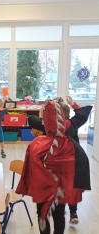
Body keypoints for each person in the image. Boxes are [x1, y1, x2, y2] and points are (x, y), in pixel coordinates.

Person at [17, 99, 89, 234]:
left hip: (43, 187)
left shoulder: (38, 143)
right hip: (61, 187)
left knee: (42, 214)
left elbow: (30, 167)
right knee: (59, 213)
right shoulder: (70, 141)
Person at [27, 95, 92, 225]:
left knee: (56, 184)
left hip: (54, 162)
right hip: (71, 162)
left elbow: (31, 119)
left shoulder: (48, 126)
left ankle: (56, 205)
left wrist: (45, 111)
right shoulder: (72, 124)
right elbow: (83, 114)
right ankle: (73, 212)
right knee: (71, 186)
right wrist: (73, 104)